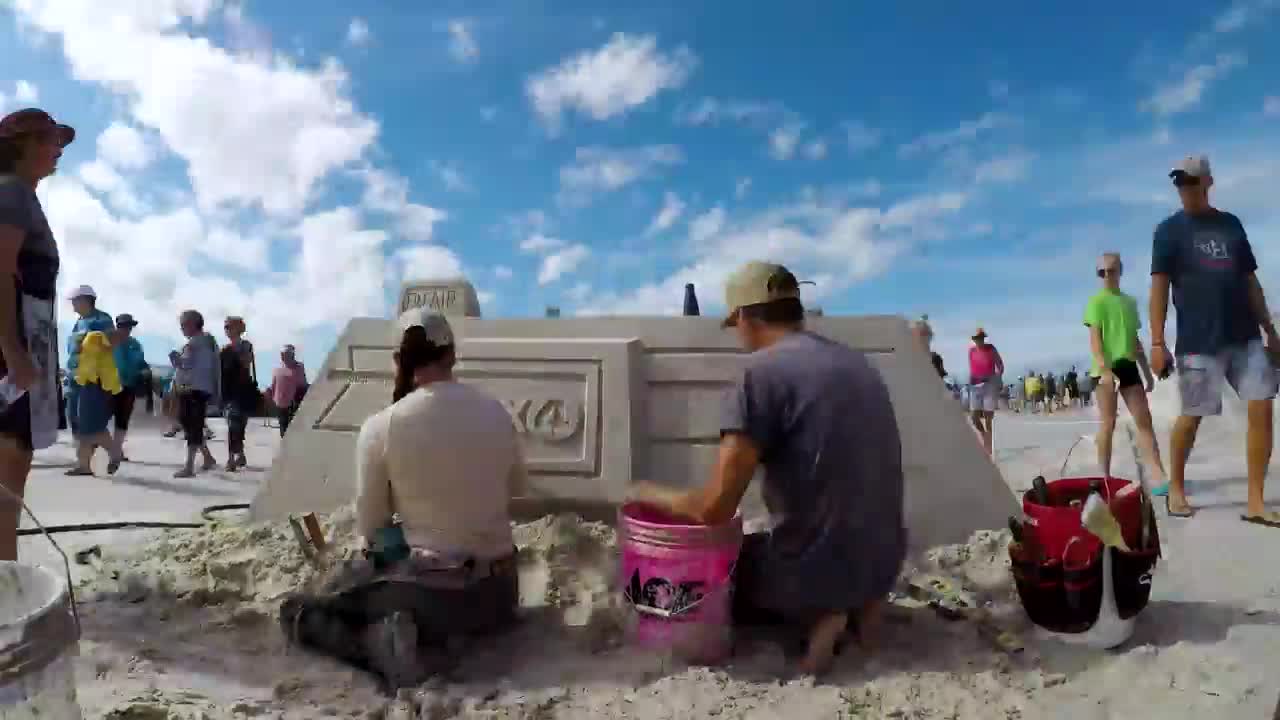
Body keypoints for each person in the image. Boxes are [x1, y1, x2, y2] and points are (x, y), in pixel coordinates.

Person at [627, 261, 905, 675]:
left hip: (817, 572)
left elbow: (713, 509)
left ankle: (820, 613)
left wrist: (646, 493)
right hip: (886, 560)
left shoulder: (758, 375)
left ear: (743, 317)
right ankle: (862, 605)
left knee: (716, 577)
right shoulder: (857, 364)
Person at [279, 308, 523, 693]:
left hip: (438, 598)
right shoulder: (497, 412)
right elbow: (515, 491)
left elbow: (372, 528)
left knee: (298, 611)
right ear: (452, 355)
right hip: (502, 594)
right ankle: (436, 638)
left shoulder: (382, 426)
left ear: (398, 361)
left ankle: (380, 646)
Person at [1149, 155, 1280, 522]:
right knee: (1192, 415)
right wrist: (1157, 343)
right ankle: (1176, 487)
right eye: (1179, 183)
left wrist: (1269, 330)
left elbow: (1250, 281)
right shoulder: (1168, 231)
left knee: (1262, 407)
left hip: (1245, 335)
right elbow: (1159, 288)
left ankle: (1255, 501)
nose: (1184, 189)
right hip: (1198, 341)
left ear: (1207, 181)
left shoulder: (1231, 225)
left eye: (1190, 181)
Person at [0, 108, 72, 561]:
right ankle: (6, 580)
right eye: (51, 140)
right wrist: (13, 351)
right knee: (9, 468)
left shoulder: (18, 196)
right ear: (23, 144)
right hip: (13, 347)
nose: (58, 150)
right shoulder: (13, 195)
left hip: (22, 342)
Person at [1085, 253, 1168, 490]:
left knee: (1144, 420)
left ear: (1120, 270)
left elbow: (1134, 340)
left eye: (1111, 270)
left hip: (1128, 366)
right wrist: (1105, 370)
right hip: (1105, 370)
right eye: (1102, 272)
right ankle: (1104, 477)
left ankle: (1158, 474)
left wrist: (1145, 371)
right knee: (1108, 423)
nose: (1107, 276)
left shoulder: (1130, 302)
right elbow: (1095, 341)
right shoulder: (1096, 302)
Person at [64, 285, 124, 476]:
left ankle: (115, 453)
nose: (72, 305)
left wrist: (96, 340)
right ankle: (83, 466)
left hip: (93, 379)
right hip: (75, 378)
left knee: (91, 424)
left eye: (74, 301)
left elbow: (113, 340)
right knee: (78, 424)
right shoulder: (79, 322)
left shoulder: (101, 319)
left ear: (85, 300)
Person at [170, 310, 218, 478]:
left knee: (192, 425)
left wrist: (177, 360)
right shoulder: (206, 342)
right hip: (198, 388)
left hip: (193, 389)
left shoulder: (196, 343)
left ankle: (189, 467)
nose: (182, 329)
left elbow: (189, 366)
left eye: (183, 325)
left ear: (191, 324)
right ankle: (207, 458)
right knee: (192, 424)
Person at [219, 316, 258, 471]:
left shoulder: (245, 345)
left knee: (239, 425)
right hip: (229, 391)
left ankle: (238, 455)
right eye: (225, 327)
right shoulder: (224, 349)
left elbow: (246, 362)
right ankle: (232, 458)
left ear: (239, 328)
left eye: (229, 326)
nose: (227, 330)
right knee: (232, 425)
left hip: (243, 390)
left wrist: (233, 352)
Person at [110, 313, 147, 462]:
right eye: (124, 326)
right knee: (103, 420)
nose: (127, 329)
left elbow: (141, 364)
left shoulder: (135, 344)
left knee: (122, 420)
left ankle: (117, 450)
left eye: (129, 326)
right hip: (109, 386)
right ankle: (110, 449)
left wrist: (145, 372)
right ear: (117, 326)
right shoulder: (109, 343)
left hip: (129, 387)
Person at [967, 328, 1004, 456]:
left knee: (988, 417)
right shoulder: (971, 351)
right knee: (974, 416)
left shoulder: (991, 348)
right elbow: (973, 368)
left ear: (984, 338)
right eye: (977, 338)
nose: (979, 340)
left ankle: (990, 445)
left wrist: (998, 378)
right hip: (975, 386)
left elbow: (1000, 365)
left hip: (989, 384)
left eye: (981, 338)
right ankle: (984, 435)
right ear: (974, 340)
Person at [266, 344, 307, 436]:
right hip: (280, 404)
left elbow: (303, 386)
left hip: (293, 404)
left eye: (285, 354)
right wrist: (269, 393)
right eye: (282, 354)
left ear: (291, 355)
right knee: (283, 430)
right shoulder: (277, 369)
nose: (282, 356)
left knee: (294, 432)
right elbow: (273, 385)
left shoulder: (299, 367)